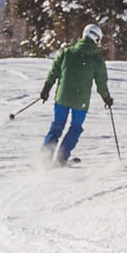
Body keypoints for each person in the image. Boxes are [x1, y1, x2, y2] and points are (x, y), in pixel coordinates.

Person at [38, 23, 113, 166]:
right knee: (75, 127)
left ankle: (45, 158)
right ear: (97, 39)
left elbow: (54, 72)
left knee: (57, 126)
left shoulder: (67, 52)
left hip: (62, 97)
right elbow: (101, 83)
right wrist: (106, 98)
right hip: (80, 101)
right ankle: (61, 158)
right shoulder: (97, 59)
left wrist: (46, 89)